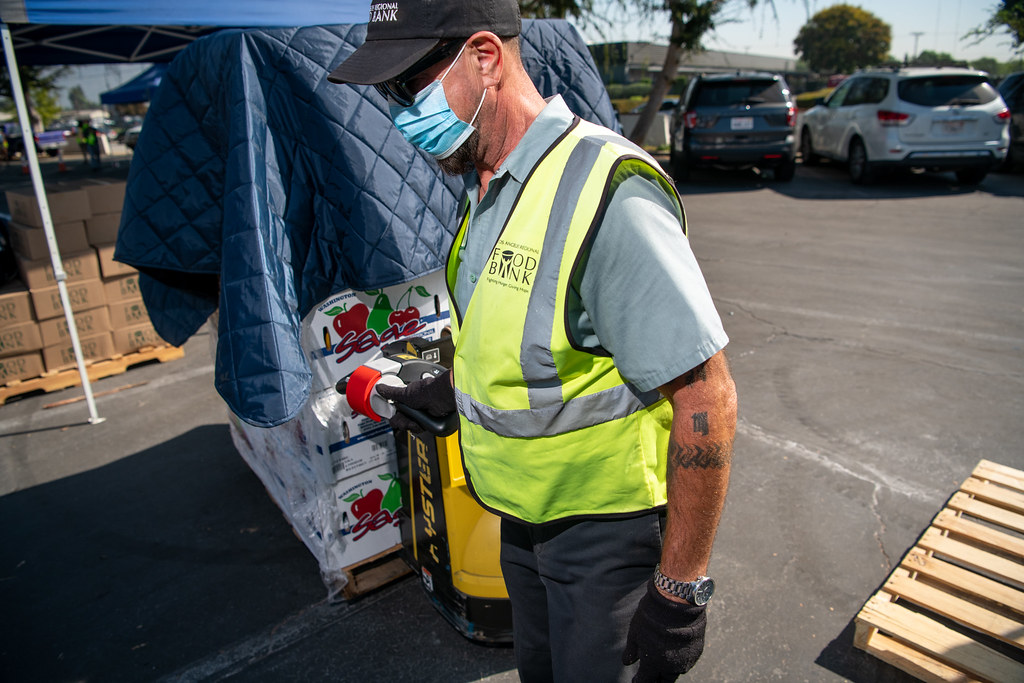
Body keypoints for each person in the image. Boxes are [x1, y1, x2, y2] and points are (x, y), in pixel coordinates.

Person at [328, 2, 737, 681]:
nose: (399, 113)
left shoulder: (606, 190)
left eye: (409, 86)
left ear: (484, 57)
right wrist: (454, 387)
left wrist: (680, 589)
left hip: (605, 535)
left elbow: (706, 395)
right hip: (520, 522)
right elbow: (522, 335)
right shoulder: (486, 186)